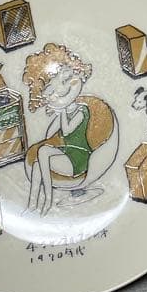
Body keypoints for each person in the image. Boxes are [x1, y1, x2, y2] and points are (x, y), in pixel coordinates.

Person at [22, 43, 94, 215]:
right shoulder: (64, 111)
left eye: (68, 78)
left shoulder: (81, 110)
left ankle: (48, 200)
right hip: (66, 153)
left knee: (43, 152)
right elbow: (49, 135)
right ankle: (32, 205)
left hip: (79, 157)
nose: (64, 88)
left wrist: (61, 110)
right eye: (52, 91)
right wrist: (58, 110)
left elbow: (67, 131)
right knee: (38, 164)